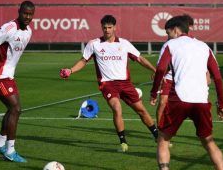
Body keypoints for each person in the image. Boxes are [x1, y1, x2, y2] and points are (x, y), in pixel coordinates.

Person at [60, 15, 158, 152]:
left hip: (125, 83)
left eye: (109, 27)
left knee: (141, 110)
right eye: (104, 27)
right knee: (117, 108)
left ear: (115, 27)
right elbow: (83, 60)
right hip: (107, 84)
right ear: (101, 28)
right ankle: (123, 142)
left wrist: (155, 70)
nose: (107, 30)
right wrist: (70, 70)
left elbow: (140, 59)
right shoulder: (94, 44)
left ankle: (157, 136)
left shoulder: (124, 44)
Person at [150, 16, 223, 170]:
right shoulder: (204, 46)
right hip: (201, 101)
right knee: (209, 141)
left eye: (168, 33)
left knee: (163, 139)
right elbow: (217, 77)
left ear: (176, 30)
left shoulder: (170, 45)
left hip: (178, 99)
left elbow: (160, 70)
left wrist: (153, 92)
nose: (168, 36)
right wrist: (221, 104)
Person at [0, 0, 35, 163]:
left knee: (12, 109)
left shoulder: (28, 31)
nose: (27, 16)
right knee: (15, 108)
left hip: (8, 75)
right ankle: (10, 151)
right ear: (19, 12)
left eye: (30, 14)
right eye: (25, 13)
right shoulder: (8, 28)